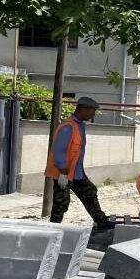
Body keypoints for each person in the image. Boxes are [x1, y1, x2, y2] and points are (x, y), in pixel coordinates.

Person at [46, 97, 112, 229]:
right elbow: (58, 151)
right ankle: (53, 228)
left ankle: (102, 222)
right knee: (61, 202)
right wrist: (63, 173)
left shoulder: (79, 126)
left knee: (89, 192)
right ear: (83, 109)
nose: (93, 114)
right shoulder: (68, 127)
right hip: (63, 173)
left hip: (76, 172)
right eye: (92, 111)